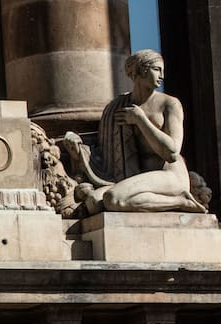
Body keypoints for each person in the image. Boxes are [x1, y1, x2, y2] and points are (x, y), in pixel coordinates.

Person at [66, 49, 206, 214]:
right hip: (135, 177)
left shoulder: (169, 104)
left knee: (113, 199)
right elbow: (107, 145)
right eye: (156, 69)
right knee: (93, 202)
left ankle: (181, 200)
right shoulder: (119, 105)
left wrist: (141, 120)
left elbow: (172, 152)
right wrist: (79, 147)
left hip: (168, 175)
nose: (162, 75)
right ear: (140, 71)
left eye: (162, 70)